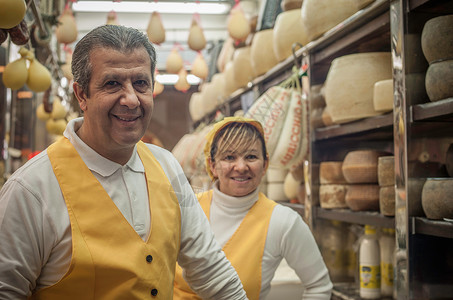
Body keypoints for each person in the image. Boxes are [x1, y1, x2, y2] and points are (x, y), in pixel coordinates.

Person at [0, 25, 248, 300]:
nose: (131, 99)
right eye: (112, 83)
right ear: (81, 94)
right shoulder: (31, 190)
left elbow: (210, 269)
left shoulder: (167, 167)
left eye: (140, 83)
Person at [173, 116, 333, 299]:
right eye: (229, 157)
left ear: (265, 164)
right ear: (213, 165)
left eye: (251, 156)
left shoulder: (282, 221)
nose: (241, 167)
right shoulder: (188, 209)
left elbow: (319, 286)